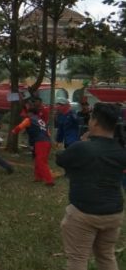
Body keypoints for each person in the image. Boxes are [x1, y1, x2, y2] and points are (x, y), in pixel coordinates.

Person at [57, 103, 126, 270]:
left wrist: (82, 141)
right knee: (106, 255)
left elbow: (61, 159)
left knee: (78, 258)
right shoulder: (119, 150)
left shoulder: (82, 147)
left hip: (84, 212)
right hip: (114, 213)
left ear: (94, 122)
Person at [12, 104, 55, 186]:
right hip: (47, 141)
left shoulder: (29, 119)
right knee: (40, 160)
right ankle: (38, 177)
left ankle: (49, 181)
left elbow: (20, 127)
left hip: (40, 142)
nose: (26, 114)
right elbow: (47, 132)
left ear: (31, 113)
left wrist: (14, 131)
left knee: (40, 161)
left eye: (27, 113)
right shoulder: (41, 120)